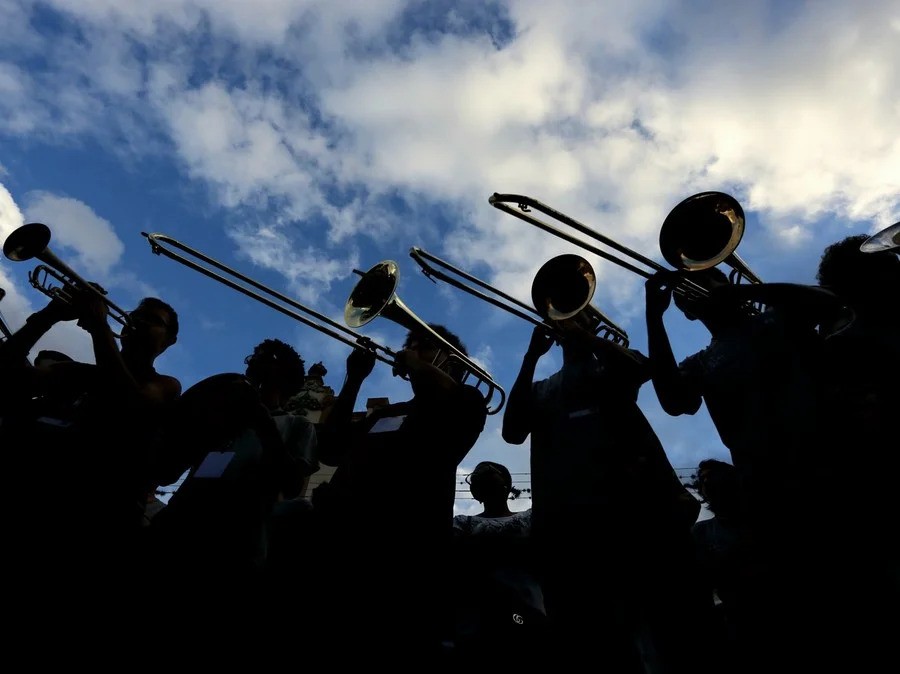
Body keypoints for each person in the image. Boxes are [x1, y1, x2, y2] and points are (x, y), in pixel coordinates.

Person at [503, 318, 708, 673]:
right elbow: (512, 431)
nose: (568, 322)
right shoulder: (542, 388)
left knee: (668, 630)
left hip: (637, 519)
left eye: (579, 316)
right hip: (571, 528)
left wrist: (589, 339)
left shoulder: (612, 364)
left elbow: (639, 367)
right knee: (599, 642)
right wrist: (531, 357)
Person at [314, 323, 488, 662]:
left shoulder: (467, 399)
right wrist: (354, 378)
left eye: (423, 345)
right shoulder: (389, 413)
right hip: (341, 539)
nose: (409, 350)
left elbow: (451, 403)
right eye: (411, 345)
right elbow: (331, 448)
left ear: (451, 361)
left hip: (406, 552)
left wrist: (419, 366)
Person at [451, 461, 545, 662]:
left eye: (491, 470)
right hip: (478, 621)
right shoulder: (461, 523)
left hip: (527, 614)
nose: (484, 472)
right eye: (478, 474)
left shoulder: (531, 517)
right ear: (475, 491)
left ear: (507, 484)